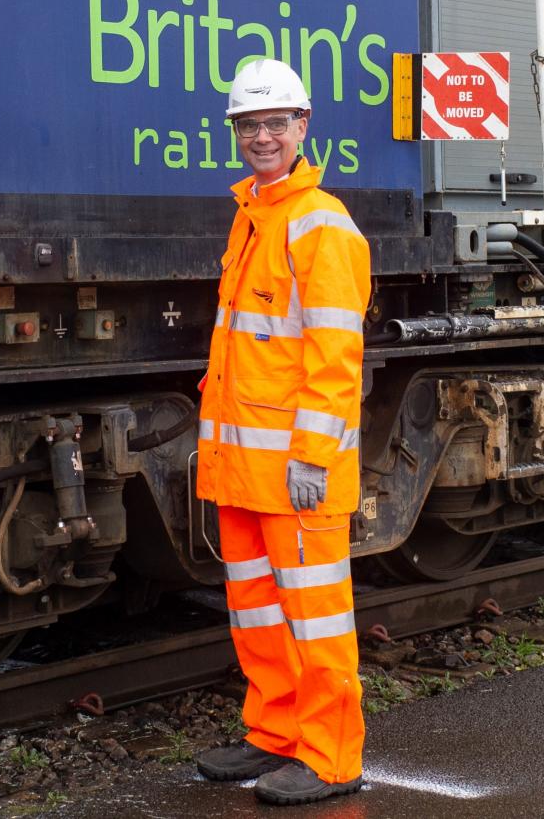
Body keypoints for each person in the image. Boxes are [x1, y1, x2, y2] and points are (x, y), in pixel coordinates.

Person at [193, 58, 371, 805]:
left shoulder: (321, 224)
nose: (261, 136)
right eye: (248, 125)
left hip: (295, 471)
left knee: (316, 616)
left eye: (275, 123)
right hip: (241, 468)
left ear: (303, 127)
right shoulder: (254, 213)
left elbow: (335, 358)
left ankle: (331, 758)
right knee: (260, 612)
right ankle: (273, 734)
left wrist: (313, 457)